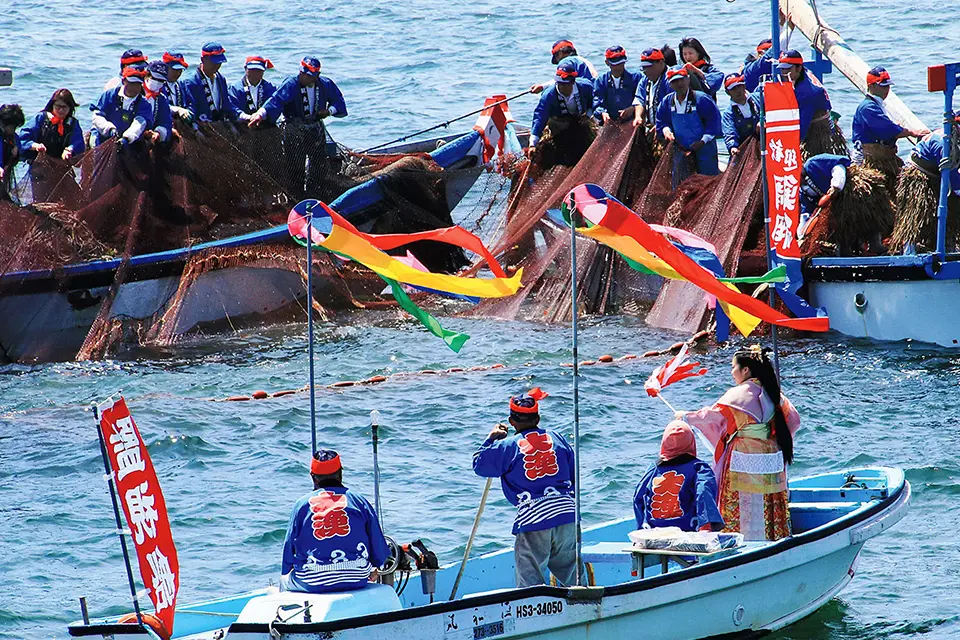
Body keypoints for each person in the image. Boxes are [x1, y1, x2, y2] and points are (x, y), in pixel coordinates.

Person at [676, 346, 800, 541]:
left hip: (744, 452)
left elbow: (711, 417)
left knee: (741, 498)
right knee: (768, 498)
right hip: (772, 454)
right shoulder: (774, 393)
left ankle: (739, 541)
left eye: (733, 367)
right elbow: (794, 420)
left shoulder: (739, 394)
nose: (731, 372)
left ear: (745, 370)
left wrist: (686, 417)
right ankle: (773, 537)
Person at [472, 388, 580, 588]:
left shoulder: (508, 445)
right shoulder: (557, 437)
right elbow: (574, 475)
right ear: (538, 418)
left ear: (512, 422)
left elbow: (479, 464)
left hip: (534, 518)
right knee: (574, 577)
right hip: (567, 512)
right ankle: (586, 609)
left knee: (531, 584)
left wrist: (491, 438)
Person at [281, 449, 389, 593]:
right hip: (357, 576)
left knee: (284, 580)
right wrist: (375, 565)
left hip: (313, 580)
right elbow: (378, 549)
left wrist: (287, 569)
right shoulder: (359, 501)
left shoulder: (301, 504)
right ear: (341, 473)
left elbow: (288, 550)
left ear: (313, 477)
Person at [248, 56, 348, 195]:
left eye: (308, 75)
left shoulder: (325, 84)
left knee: (319, 165)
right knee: (295, 167)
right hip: (294, 130)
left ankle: (316, 194)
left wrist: (328, 111)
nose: (303, 77)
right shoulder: (291, 84)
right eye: (302, 73)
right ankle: (296, 196)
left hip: (315, 129)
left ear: (316, 76)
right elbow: (276, 101)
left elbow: (339, 103)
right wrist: (260, 114)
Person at [633, 421, 724, 532]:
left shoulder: (653, 468)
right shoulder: (699, 468)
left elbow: (638, 497)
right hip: (687, 532)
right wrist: (707, 525)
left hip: (654, 532)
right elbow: (704, 492)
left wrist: (640, 528)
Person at [852, 67, 929, 193]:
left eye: (888, 86)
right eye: (883, 86)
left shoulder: (877, 105)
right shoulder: (867, 108)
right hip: (867, 158)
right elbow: (888, 129)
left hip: (882, 155)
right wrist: (912, 132)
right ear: (871, 86)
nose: (886, 90)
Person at [891, 128, 960, 253]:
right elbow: (953, 177)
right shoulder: (943, 144)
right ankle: (909, 252)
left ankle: (946, 245)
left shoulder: (950, 137)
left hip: (935, 174)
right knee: (915, 216)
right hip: (918, 178)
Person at [656, 65, 722, 186]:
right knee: (681, 185)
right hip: (680, 150)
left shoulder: (702, 99)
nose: (679, 83)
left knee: (708, 183)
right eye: (675, 81)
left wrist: (703, 141)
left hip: (705, 149)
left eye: (682, 79)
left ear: (688, 79)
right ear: (670, 84)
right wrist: (666, 131)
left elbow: (714, 123)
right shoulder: (667, 102)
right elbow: (661, 122)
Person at [777, 50, 844, 156]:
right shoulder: (804, 73)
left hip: (817, 132)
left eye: (788, 69)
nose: (784, 72)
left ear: (799, 67)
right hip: (823, 119)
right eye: (782, 68)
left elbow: (801, 128)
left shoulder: (806, 93)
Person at [528, 58, 595, 158]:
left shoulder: (586, 87)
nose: (562, 87)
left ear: (573, 82)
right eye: (559, 83)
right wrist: (533, 143)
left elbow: (596, 100)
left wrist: (588, 115)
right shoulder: (548, 96)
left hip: (582, 120)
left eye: (565, 84)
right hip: (559, 124)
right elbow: (539, 117)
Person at [89, 66, 153, 147]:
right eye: (131, 83)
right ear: (123, 81)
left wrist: (127, 138)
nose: (133, 88)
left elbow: (139, 123)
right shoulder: (109, 95)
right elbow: (97, 117)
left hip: (130, 144)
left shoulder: (144, 104)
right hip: (104, 140)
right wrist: (109, 129)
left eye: (137, 84)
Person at [19, 89, 86, 162]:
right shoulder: (41, 118)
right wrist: (35, 146)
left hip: (62, 164)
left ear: (70, 108)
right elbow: (23, 138)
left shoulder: (72, 123)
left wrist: (69, 149)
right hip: (37, 164)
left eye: (64, 107)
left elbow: (78, 142)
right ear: (52, 105)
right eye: (58, 106)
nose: (61, 110)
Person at [182, 42, 241, 123]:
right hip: (202, 124)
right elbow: (192, 107)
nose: (217, 65)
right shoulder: (191, 82)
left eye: (219, 62)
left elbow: (226, 105)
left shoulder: (221, 79)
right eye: (213, 62)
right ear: (203, 59)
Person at [592, 46, 642, 125]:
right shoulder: (601, 80)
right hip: (609, 122)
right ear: (607, 63)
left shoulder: (636, 77)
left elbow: (642, 99)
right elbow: (597, 103)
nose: (619, 67)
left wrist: (633, 108)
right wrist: (603, 113)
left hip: (632, 121)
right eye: (615, 64)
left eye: (621, 63)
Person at [530, 39, 597, 94]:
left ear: (561, 52)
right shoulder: (583, 60)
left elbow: (562, 80)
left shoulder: (566, 61)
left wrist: (542, 87)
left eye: (556, 56)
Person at [720, 73, 760, 157]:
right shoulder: (728, 114)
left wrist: (764, 121)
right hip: (743, 148)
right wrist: (732, 147)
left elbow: (772, 112)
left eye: (739, 86)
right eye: (733, 88)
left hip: (766, 143)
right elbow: (729, 132)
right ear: (728, 92)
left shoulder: (759, 98)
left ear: (744, 86)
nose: (738, 90)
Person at [634, 46, 673, 131]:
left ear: (661, 63)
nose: (645, 70)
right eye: (644, 67)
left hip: (669, 127)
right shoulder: (644, 80)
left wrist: (662, 125)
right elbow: (639, 100)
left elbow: (674, 108)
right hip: (651, 126)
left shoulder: (670, 79)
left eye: (649, 67)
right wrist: (638, 116)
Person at [677, 37, 723, 102]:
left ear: (698, 53)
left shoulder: (709, 69)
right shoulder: (681, 70)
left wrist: (697, 71)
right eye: (684, 54)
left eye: (690, 53)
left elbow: (716, 80)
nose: (687, 57)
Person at [143, 62, 174, 145]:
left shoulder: (161, 99)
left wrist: (158, 133)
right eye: (154, 78)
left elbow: (166, 122)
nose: (157, 82)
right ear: (147, 75)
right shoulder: (136, 91)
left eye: (161, 81)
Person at [0, 104, 25, 198]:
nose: (14, 129)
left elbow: (22, 150)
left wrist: (17, 149)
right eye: (12, 126)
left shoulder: (14, 138)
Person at [161, 51, 192, 124]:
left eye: (180, 70)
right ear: (165, 67)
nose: (178, 73)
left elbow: (191, 104)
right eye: (174, 70)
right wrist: (177, 110)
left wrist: (188, 115)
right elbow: (160, 106)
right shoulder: (158, 85)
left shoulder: (181, 85)